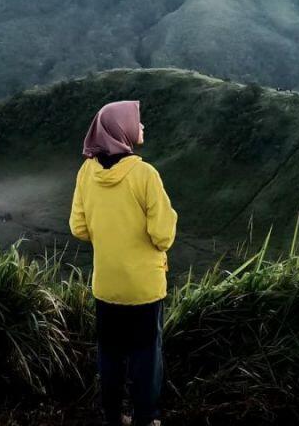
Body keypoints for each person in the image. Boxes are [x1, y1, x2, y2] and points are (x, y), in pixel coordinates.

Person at [69, 99, 178, 426]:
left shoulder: (86, 171)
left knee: (110, 355)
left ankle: (113, 416)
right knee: (146, 356)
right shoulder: (145, 174)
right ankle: (146, 418)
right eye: (137, 122)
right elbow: (163, 236)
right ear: (122, 130)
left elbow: (78, 227)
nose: (141, 127)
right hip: (144, 288)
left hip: (106, 286)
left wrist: (109, 235)